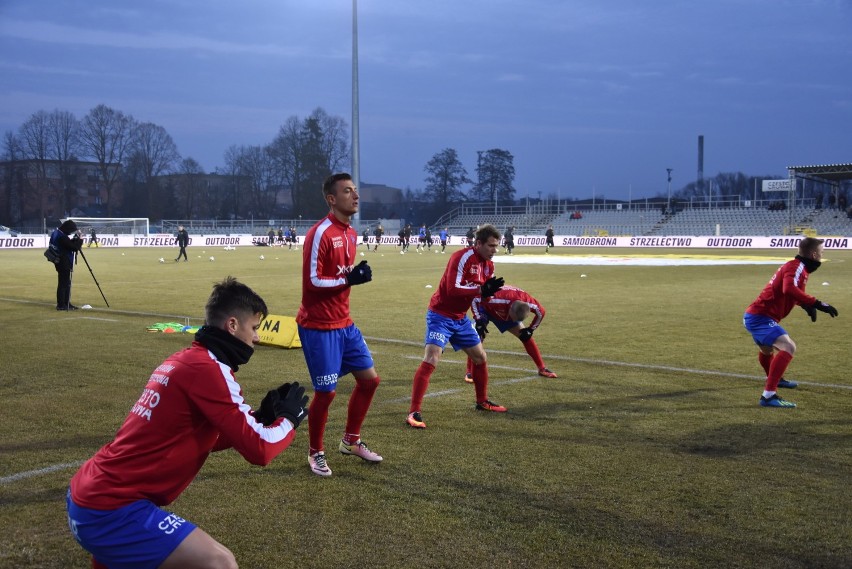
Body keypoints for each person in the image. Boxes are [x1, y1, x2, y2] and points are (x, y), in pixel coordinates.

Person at [66, 277, 309, 569]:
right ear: (232, 325)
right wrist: (289, 420)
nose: (256, 338)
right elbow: (260, 449)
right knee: (220, 563)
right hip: (110, 508)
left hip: (89, 493)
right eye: (254, 328)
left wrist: (259, 419)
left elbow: (197, 437)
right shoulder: (209, 370)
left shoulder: (186, 360)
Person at [297, 172, 383, 477]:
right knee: (327, 393)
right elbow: (312, 281)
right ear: (332, 199)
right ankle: (315, 453)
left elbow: (339, 276)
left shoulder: (350, 233)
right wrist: (349, 278)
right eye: (348, 192)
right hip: (319, 326)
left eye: (355, 191)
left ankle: (350, 441)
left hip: (344, 324)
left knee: (370, 381)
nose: (355, 196)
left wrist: (353, 274)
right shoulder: (320, 233)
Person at [407, 224, 508, 429]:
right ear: (478, 243)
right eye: (491, 246)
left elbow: (481, 295)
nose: (495, 250)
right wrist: (481, 290)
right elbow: (453, 289)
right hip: (440, 315)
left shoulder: (489, 266)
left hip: (461, 319)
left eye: (497, 246)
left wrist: (480, 318)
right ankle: (413, 412)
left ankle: (482, 402)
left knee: (480, 358)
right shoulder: (461, 257)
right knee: (432, 357)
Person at [743, 237, 838, 408]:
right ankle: (768, 396)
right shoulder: (796, 267)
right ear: (814, 254)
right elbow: (789, 288)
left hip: (758, 315)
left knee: (766, 351)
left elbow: (790, 292)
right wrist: (816, 303)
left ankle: (776, 380)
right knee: (789, 347)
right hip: (760, 317)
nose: (822, 256)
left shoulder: (799, 268)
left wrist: (805, 305)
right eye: (822, 253)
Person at [464, 284, 557, 382]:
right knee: (477, 336)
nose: (514, 321)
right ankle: (469, 371)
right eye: (514, 318)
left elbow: (541, 312)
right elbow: (475, 300)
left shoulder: (528, 302)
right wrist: (478, 320)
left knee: (525, 336)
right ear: (510, 310)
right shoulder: (495, 299)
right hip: (486, 309)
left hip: (504, 310)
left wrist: (530, 329)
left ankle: (542, 368)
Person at [50, 219, 83, 310]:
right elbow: (74, 248)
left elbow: (66, 245)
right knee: (64, 283)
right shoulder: (62, 236)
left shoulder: (56, 233)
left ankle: (66, 303)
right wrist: (80, 240)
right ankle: (62, 304)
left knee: (64, 283)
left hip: (58, 260)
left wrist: (73, 240)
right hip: (64, 261)